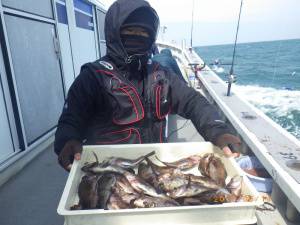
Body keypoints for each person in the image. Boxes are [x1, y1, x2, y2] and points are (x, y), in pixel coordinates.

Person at [54, 0, 241, 171]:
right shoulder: (92, 77)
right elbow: (71, 118)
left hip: (154, 167)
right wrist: (68, 140)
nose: (138, 37)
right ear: (114, 34)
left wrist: (219, 131)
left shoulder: (161, 75)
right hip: (109, 169)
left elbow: (193, 101)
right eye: (130, 31)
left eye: (144, 33)